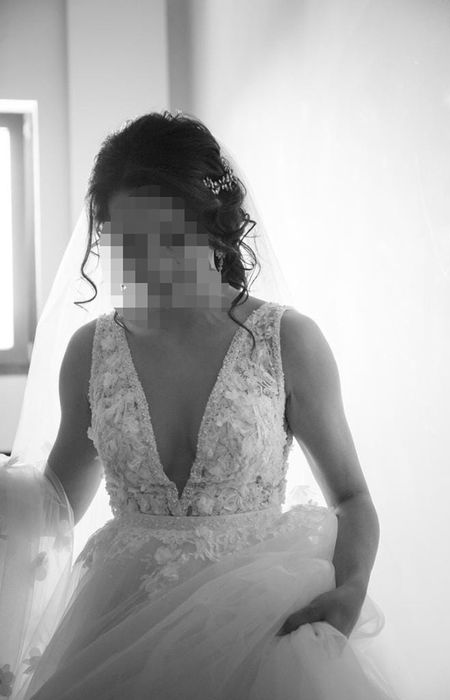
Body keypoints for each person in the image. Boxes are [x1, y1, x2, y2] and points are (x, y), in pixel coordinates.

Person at [1, 111, 399, 699]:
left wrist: (350, 591)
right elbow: (57, 501)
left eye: (166, 238)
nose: (147, 262)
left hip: (260, 627)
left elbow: (352, 499)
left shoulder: (286, 341)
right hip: (120, 624)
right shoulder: (93, 351)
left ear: (212, 224)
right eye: (127, 241)